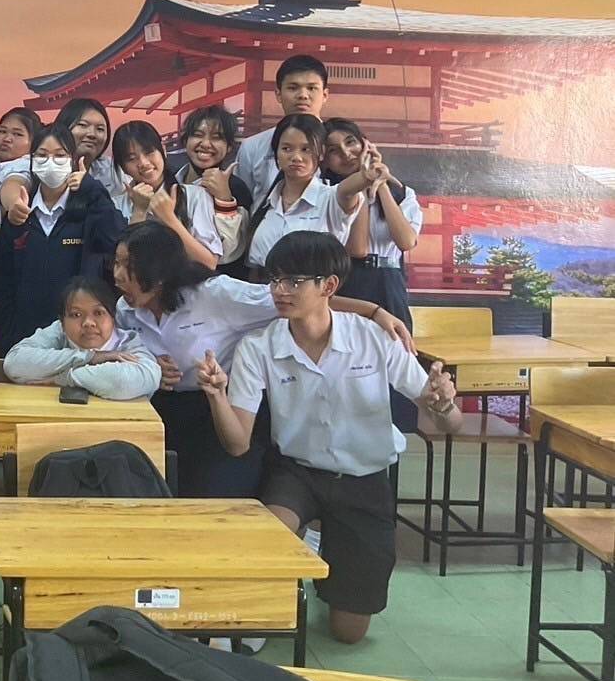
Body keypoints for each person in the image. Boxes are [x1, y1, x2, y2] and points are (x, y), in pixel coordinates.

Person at [200, 231, 461, 644]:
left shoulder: (373, 337)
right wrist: (216, 395)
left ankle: (329, 553)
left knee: (348, 632)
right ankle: (291, 562)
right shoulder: (258, 347)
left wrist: (443, 404)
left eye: (293, 281)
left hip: (364, 479)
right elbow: (237, 444)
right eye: (275, 280)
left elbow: (451, 424)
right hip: (297, 473)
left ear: (329, 286)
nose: (280, 291)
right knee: (269, 535)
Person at [112, 221, 414, 499]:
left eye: (129, 266)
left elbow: (302, 301)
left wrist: (374, 311)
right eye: (116, 263)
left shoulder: (215, 295)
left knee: (209, 497)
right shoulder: (126, 310)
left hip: (220, 409)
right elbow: (123, 352)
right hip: (159, 408)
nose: (118, 275)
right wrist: (149, 367)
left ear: (160, 271)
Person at [323, 118, 423, 432]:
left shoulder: (403, 193)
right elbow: (358, 249)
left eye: (351, 142)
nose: (345, 153)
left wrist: (380, 186)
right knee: (351, 367)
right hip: (349, 283)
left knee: (396, 358)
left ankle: (393, 442)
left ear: (366, 144)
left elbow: (405, 241)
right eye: (333, 150)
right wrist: (362, 188)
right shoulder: (331, 195)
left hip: (389, 283)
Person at [0, 124, 122, 353]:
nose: (50, 162)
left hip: (79, 336)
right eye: (42, 155)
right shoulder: (21, 209)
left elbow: (115, 240)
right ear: (31, 161)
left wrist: (92, 189)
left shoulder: (90, 207)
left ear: (72, 160)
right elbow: (0, 278)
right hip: (22, 336)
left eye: (60, 156)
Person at [234, 114, 378, 279]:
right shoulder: (267, 203)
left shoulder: (331, 198)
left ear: (321, 153)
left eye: (306, 149)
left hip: (308, 291)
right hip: (259, 289)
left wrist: (366, 175)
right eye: (286, 149)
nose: (296, 157)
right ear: (276, 153)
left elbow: (348, 191)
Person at [2, 277, 161, 400]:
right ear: (62, 322)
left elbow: (123, 383)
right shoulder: (58, 332)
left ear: (113, 318)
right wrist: (91, 357)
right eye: (76, 314)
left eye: (98, 313)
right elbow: (14, 363)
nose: (88, 323)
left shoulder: (128, 343)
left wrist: (64, 378)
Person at [110, 121, 223, 269]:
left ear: (163, 150)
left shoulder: (195, 195)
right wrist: (139, 211)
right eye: (132, 158)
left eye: (149, 152)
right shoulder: (115, 206)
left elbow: (208, 263)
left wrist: (169, 218)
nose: (143, 163)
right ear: (123, 168)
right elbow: (123, 267)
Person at [233, 55, 330, 204]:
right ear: (278, 94)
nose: (303, 95)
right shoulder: (252, 146)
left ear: (324, 95)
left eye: (311, 88)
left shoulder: (337, 144)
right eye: (293, 88)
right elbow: (242, 201)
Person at [175, 104, 253, 219]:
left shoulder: (236, 188)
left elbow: (242, 230)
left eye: (216, 137)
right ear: (185, 141)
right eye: (198, 135)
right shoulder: (169, 179)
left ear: (229, 146)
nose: (206, 144)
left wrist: (225, 199)